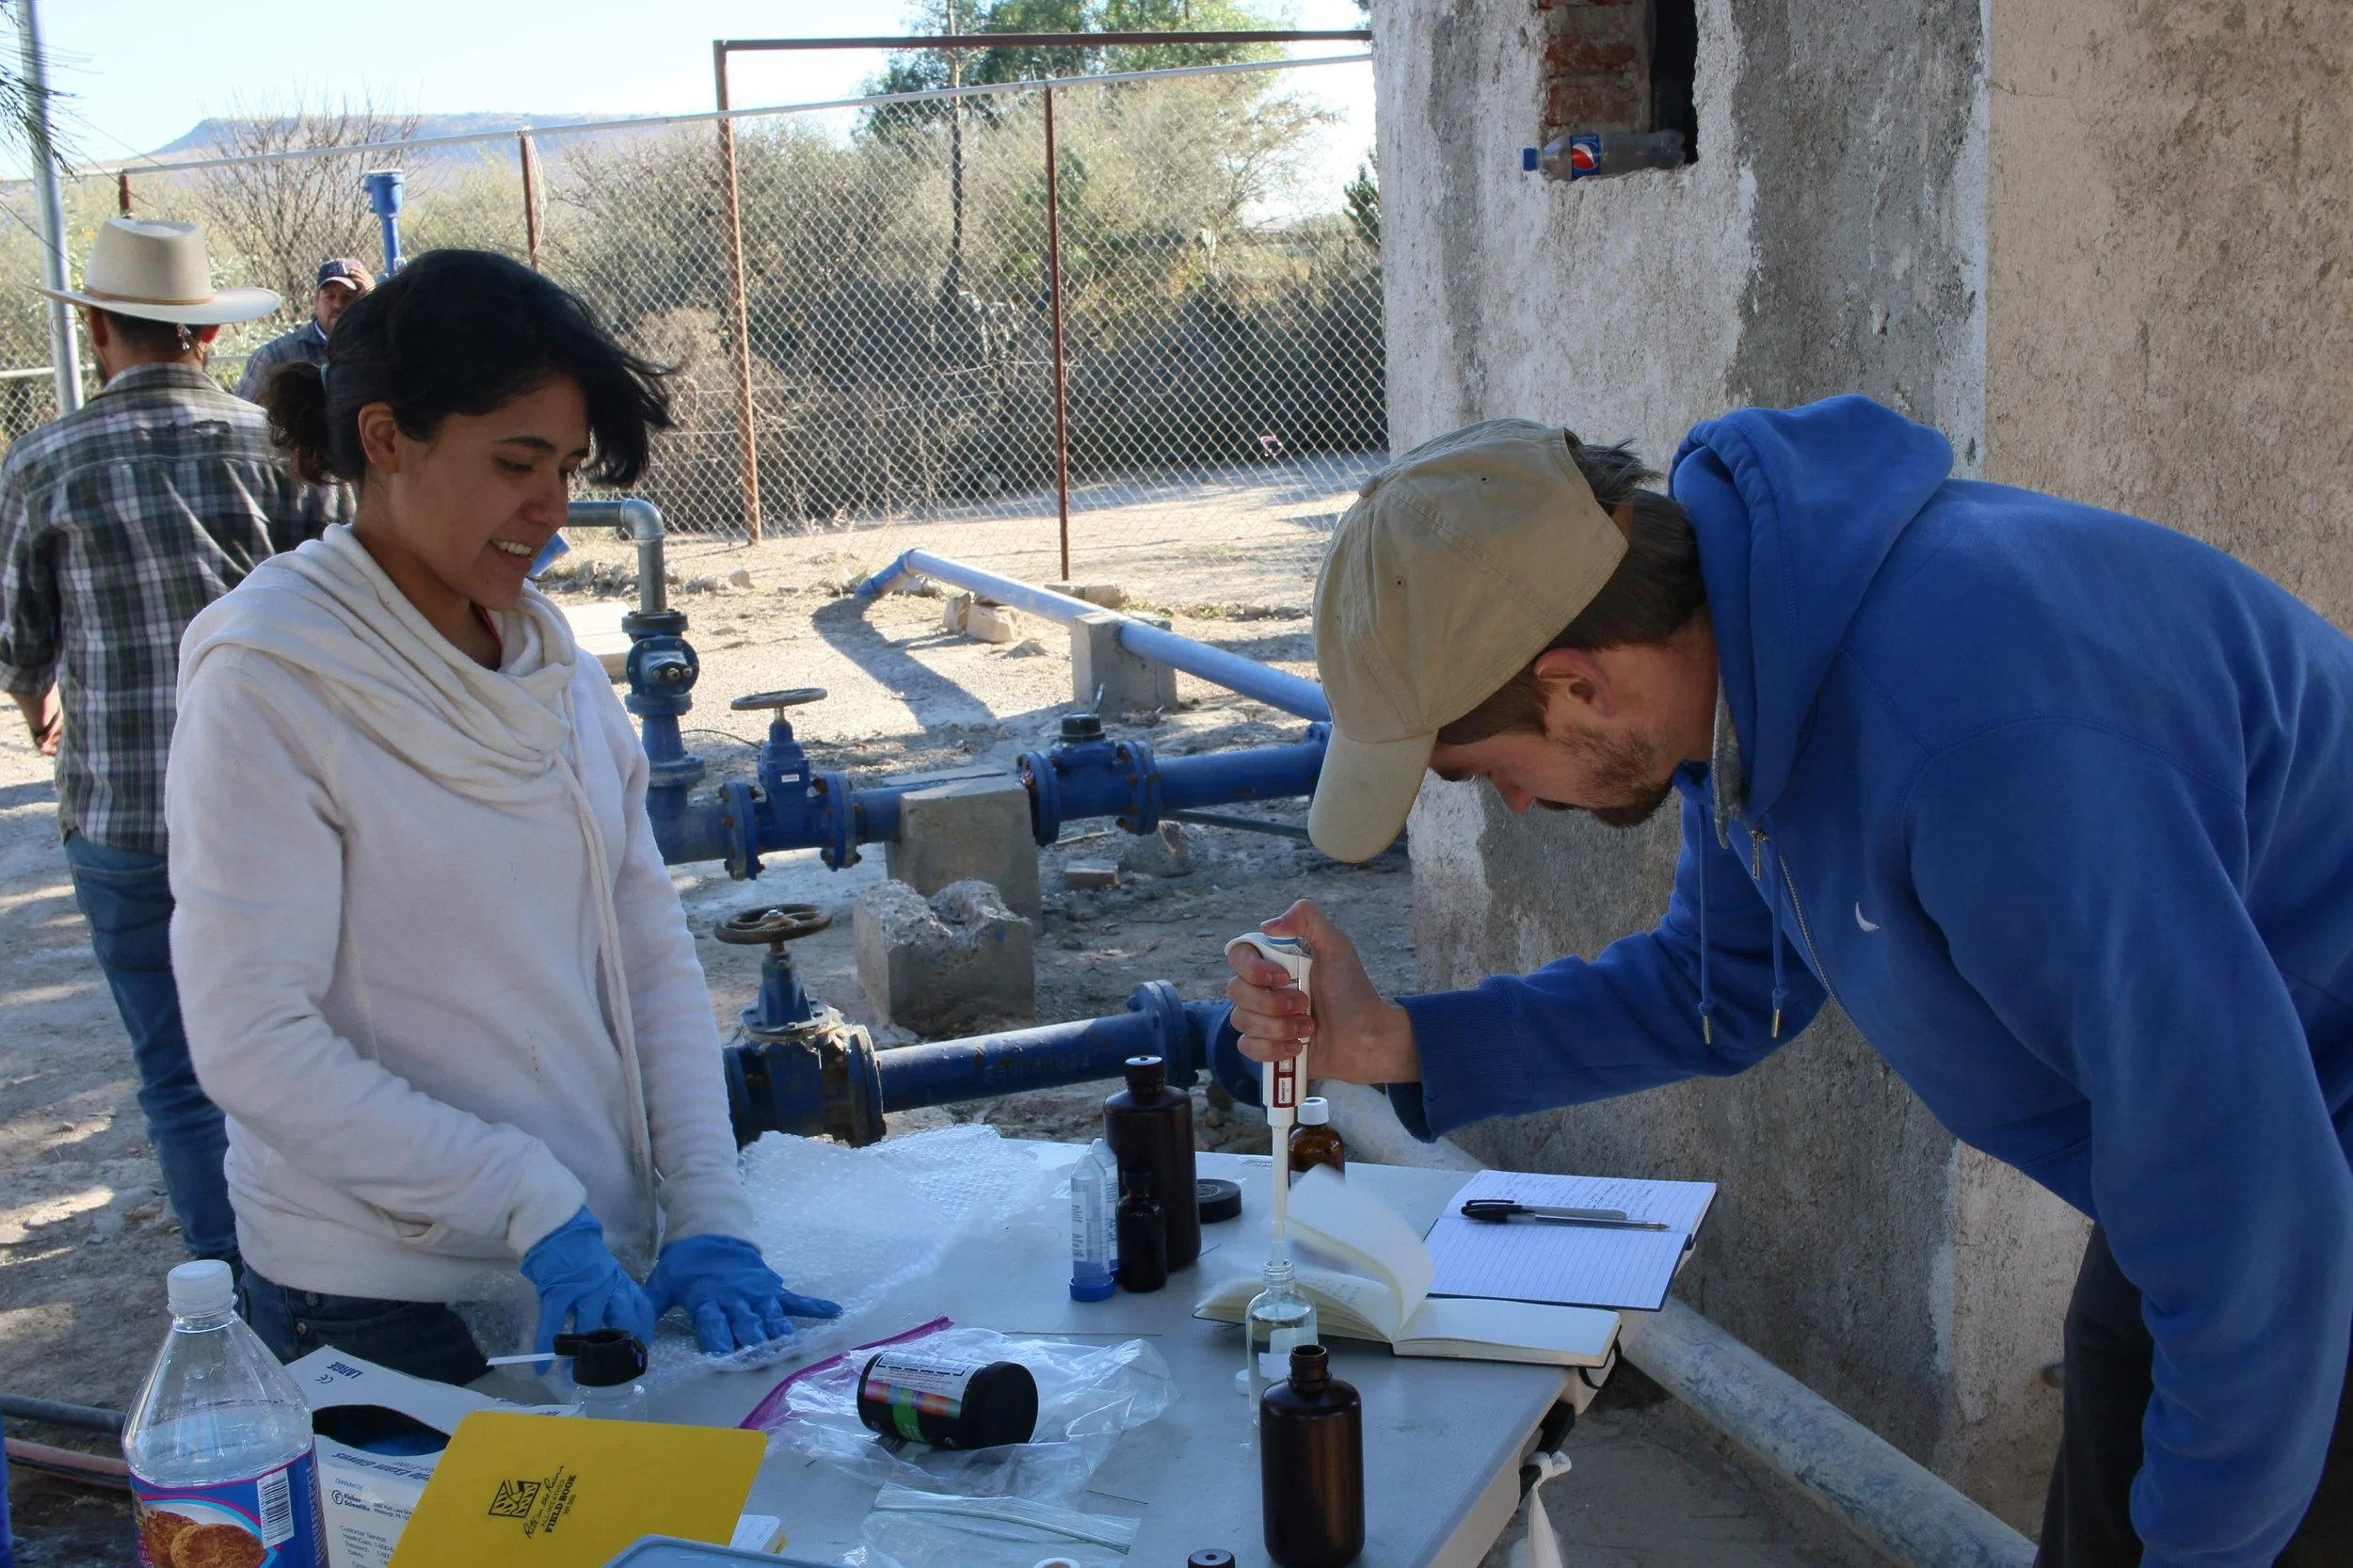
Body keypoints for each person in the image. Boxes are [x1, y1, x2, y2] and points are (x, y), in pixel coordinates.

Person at [1222, 406, 2353, 1566]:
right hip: (2228, 1148)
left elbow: (2256, 1224)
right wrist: (1390, 1039)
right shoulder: (1748, 677)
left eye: (1484, 769)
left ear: (1575, 686)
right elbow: (1714, 990)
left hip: (2299, 1161)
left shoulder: (1979, 739)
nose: (1511, 803)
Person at [163, 248, 839, 1385]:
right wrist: (524, 1199)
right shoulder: (273, 679)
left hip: (586, 1255)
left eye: (567, 468)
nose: (552, 509)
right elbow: (253, 1042)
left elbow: (644, 951)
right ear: (385, 439)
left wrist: (708, 1212)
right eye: (516, 462)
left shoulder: (552, 668)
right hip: (382, 1296)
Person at [0, 216, 347, 1268]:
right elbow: (345, 599)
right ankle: (333, 1266)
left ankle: (235, 1282)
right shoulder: (274, 443)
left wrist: (34, 703)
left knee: (176, 1072)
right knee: (310, 1046)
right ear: (202, 336)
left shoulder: (44, 459)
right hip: (277, 805)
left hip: (122, 813)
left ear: (99, 329)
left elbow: (20, 634)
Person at [233, 256, 371, 403]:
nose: (337, 304)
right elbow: (240, 414)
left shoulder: (373, 347)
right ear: (316, 302)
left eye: (347, 297)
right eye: (329, 296)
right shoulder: (276, 355)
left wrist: (373, 302)